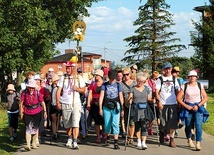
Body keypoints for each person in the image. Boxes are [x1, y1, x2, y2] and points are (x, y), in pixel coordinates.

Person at [56, 61, 86, 149]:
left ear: (73, 68)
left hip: (76, 103)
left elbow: (84, 90)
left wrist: (77, 89)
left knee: (75, 123)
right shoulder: (63, 78)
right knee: (67, 124)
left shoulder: (78, 78)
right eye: (67, 68)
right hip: (65, 103)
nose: (67, 70)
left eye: (69, 68)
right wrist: (58, 102)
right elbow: (58, 90)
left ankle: (75, 140)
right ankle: (69, 137)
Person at [177, 70, 208, 151]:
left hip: (198, 107)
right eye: (190, 76)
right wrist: (186, 106)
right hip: (188, 107)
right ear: (188, 77)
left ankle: (198, 143)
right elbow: (178, 98)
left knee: (198, 125)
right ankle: (189, 139)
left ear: (197, 77)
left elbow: (205, 97)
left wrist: (198, 105)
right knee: (188, 125)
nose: (192, 78)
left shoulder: (199, 85)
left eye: (194, 76)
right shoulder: (185, 86)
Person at [155, 62, 180, 147]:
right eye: (166, 69)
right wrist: (159, 102)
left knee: (172, 122)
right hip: (163, 103)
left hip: (173, 103)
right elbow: (156, 92)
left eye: (169, 68)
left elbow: (177, 90)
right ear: (163, 70)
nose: (168, 70)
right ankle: (162, 132)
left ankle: (172, 140)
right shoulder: (160, 79)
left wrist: (179, 101)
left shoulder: (174, 78)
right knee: (163, 122)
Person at [99, 69, 124, 150]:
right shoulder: (104, 85)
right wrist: (100, 107)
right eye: (111, 78)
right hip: (106, 106)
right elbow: (101, 96)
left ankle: (116, 142)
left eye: (113, 78)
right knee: (107, 124)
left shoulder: (118, 85)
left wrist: (122, 107)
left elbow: (120, 96)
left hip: (116, 105)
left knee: (115, 124)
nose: (112, 80)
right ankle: (107, 136)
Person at [19, 80, 47, 151]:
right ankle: (28, 145)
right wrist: (21, 112)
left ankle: (34, 143)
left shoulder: (37, 93)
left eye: (32, 88)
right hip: (27, 111)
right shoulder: (24, 93)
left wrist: (45, 112)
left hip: (36, 112)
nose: (31, 89)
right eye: (30, 87)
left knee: (35, 128)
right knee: (28, 127)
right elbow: (21, 103)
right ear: (28, 87)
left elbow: (42, 103)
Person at [128, 72, 154, 149]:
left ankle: (144, 142)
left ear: (144, 82)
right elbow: (130, 97)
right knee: (137, 126)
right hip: (136, 109)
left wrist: (152, 100)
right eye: (138, 81)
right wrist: (129, 99)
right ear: (136, 80)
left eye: (142, 81)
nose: (140, 83)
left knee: (144, 126)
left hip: (145, 109)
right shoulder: (132, 88)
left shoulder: (146, 88)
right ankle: (138, 141)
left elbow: (149, 98)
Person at [87, 69, 104, 143]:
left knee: (103, 120)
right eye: (95, 75)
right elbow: (90, 93)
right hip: (94, 104)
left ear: (100, 76)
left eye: (97, 75)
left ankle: (104, 134)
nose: (95, 76)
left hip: (103, 104)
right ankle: (98, 136)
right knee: (97, 121)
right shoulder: (93, 84)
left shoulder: (104, 84)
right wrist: (88, 103)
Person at [121, 67, 136, 142]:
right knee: (126, 121)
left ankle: (131, 137)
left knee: (132, 121)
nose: (125, 76)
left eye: (127, 74)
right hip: (125, 104)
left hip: (133, 104)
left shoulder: (134, 83)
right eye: (124, 75)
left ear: (130, 74)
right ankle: (128, 135)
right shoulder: (121, 84)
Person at [49, 74, 61, 140]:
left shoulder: (59, 87)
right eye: (55, 81)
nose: (56, 82)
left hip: (58, 104)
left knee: (58, 119)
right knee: (53, 119)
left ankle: (56, 131)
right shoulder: (51, 87)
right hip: (52, 105)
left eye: (57, 80)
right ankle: (54, 133)